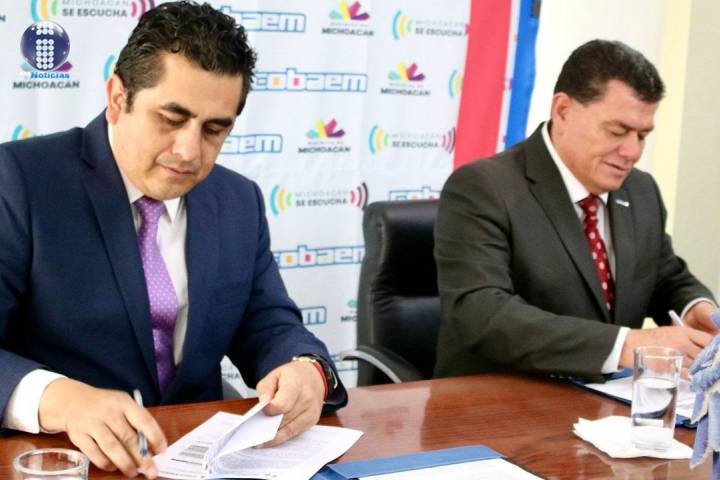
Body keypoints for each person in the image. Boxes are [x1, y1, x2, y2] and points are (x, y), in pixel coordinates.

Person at [0, 2, 347, 478]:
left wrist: (307, 368)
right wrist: (59, 399)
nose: (189, 152)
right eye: (171, 118)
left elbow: (267, 324)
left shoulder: (238, 200)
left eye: (214, 129)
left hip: (198, 460)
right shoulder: (20, 181)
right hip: (62, 461)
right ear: (117, 97)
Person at [434, 39, 718, 381]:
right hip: (502, 399)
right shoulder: (484, 188)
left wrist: (696, 308)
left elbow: (664, 276)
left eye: (642, 135)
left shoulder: (640, 190)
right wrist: (625, 344)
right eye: (617, 131)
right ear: (563, 111)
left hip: (608, 402)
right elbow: (481, 314)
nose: (632, 151)